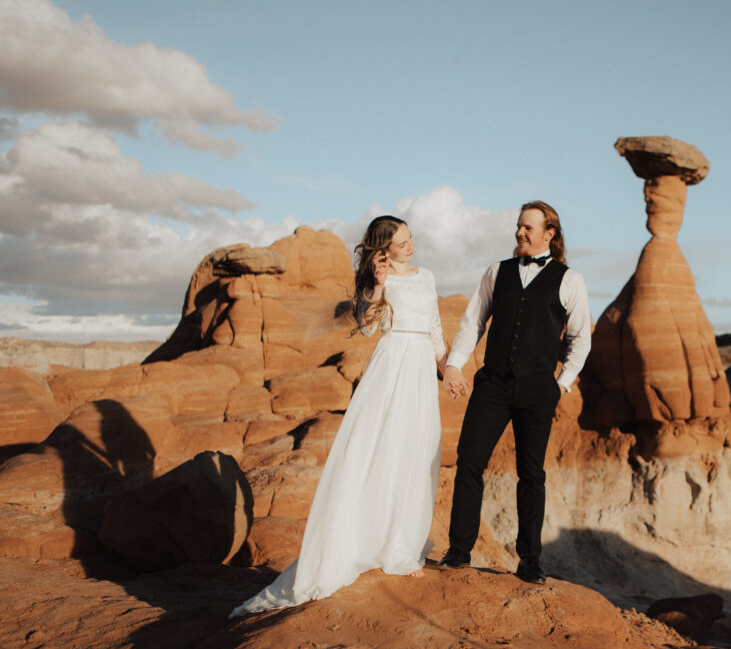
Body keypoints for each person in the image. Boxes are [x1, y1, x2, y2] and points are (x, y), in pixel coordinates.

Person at [231, 215, 448, 617]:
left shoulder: (428, 276)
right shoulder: (376, 281)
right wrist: (380, 286)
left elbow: (434, 329)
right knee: (379, 452)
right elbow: (367, 328)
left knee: (414, 454)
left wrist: (447, 369)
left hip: (420, 371)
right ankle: (375, 547)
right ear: (383, 249)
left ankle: (401, 544)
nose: (410, 246)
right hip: (392, 366)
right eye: (401, 243)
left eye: (411, 238)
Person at [438, 201, 591, 584]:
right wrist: (455, 363)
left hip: (539, 388)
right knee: (470, 462)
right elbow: (473, 322)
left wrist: (561, 383)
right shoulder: (497, 272)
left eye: (527, 228)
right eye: (518, 226)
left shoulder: (569, 280)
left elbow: (580, 339)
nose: (519, 233)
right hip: (493, 384)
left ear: (548, 233)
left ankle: (529, 559)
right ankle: (459, 550)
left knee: (531, 474)